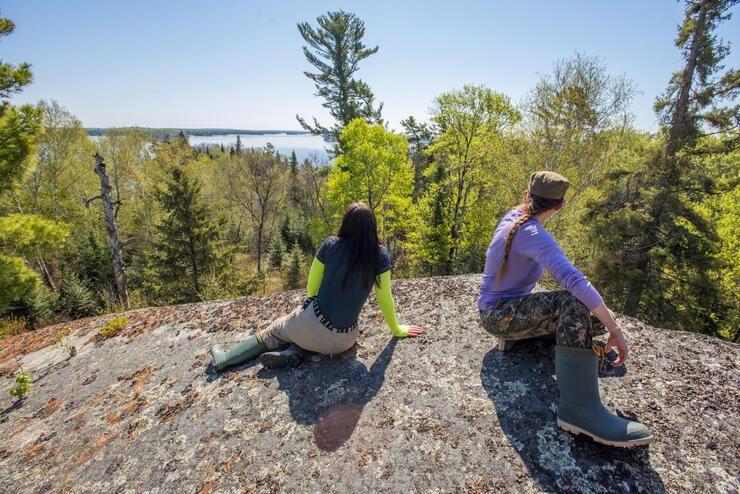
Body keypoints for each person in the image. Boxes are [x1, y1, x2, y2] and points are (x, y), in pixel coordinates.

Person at [478, 171, 653, 447]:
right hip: (499, 316)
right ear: (559, 206)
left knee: (590, 317)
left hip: (506, 313)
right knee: (573, 304)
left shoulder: (517, 217)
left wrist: (606, 322)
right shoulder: (533, 233)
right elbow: (573, 281)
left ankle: (519, 339)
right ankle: (579, 411)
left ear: (527, 196)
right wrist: (615, 328)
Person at [211, 202, 423, 371]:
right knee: (313, 336)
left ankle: (225, 359)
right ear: (372, 227)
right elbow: (384, 298)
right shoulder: (380, 255)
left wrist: (308, 310)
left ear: (346, 223)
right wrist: (396, 329)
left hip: (314, 325)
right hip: (346, 341)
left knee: (274, 330)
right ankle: (293, 353)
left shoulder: (331, 245)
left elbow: (312, 284)